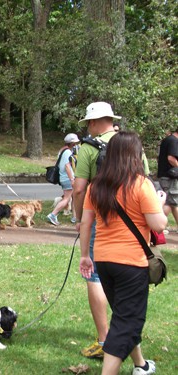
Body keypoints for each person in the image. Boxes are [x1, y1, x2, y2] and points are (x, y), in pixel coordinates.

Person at [79, 131, 167, 375]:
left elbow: (86, 224)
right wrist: (160, 203)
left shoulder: (96, 186)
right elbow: (159, 224)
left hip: (104, 261)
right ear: (135, 155)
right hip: (131, 263)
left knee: (123, 316)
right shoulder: (141, 184)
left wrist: (85, 255)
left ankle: (140, 365)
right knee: (129, 321)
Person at [73, 102, 120, 358]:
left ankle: (104, 341)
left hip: (100, 220)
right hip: (129, 224)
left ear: (92, 122)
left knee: (94, 276)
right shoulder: (130, 143)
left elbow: (79, 189)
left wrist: (80, 219)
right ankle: (127, 334)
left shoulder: (89, 148)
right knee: (124, 276)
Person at [46, 133, 79, 225]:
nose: (76, 144)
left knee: (71, 197)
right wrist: (72, 179)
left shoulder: (62, 150)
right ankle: (53, 214)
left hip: (63, 178)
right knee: (66, 199)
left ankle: (74, 216)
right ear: (72, 143)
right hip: (67, 178)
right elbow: (67, 166)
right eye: (75, 143)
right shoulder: (68, 152)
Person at [156, 129, 178, 225]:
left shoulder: (168, 140)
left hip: (165, 176)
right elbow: (171, 158)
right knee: (170, 203)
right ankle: (157, 226)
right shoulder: (173, 141)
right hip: (170, 177)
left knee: (172, 203)